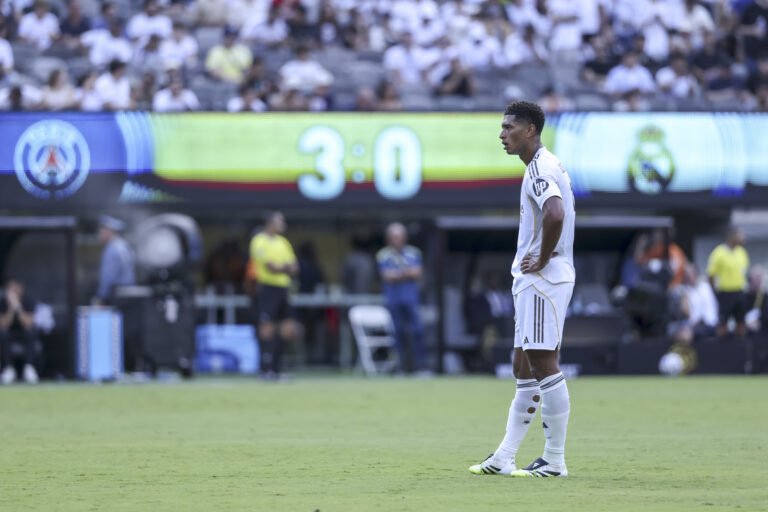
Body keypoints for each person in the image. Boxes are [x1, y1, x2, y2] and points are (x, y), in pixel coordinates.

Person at [470, 101, 575, 478]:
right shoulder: (541, 166)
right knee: (522, 365)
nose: (502, 134)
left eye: (508, 127)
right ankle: (504, 457)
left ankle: (554, 460)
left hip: (543, 280)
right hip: (535, 280)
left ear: (530, 130)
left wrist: (543, 257)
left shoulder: (540, 169)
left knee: (544, 363)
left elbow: (556, 213)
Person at [249, 212, 298, 380]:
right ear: (270, 223)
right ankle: (265, 369)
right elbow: (271, 268)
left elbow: (294, 267)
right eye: (280, 221)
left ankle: (277, 369)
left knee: (287, 329)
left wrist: (283, 267)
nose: (283, 224)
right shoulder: (259, 241)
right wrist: (285, 267)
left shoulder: (283, 242)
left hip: (283, 288)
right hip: (267, 288)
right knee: (267, 328)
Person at [376, 222, 428, 374]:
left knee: (417, 331)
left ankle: (420, 366)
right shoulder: (383, 254)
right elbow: (387, 276)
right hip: (393, 300)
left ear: (404, 238)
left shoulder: (414, 253)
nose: (395, 241)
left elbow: (417, 272)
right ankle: (400, 367)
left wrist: (398, 274)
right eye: (392, 237)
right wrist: (406, 273)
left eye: (398, 237)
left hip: (411, 299)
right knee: (396, 333)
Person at [707, 226, 750, 339]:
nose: (742, 237)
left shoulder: (742, 252)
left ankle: (741, 349)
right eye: (739, 235)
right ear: (732, 236)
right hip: (725, 293)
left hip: (739, 292)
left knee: (741, 323)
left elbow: (744, 272)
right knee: (722, 324)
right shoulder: (719, 252)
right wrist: (715, 293)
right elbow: (711, 275)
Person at [0, 278, 39, 384]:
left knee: (30, 332)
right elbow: (3, 325)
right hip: (9, 334)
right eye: (10, 289)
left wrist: (18, 307)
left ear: (20, 289)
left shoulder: (28, 300)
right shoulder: (2, 302)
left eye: (15, 288)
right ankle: (8, 368)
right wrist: (11, 309)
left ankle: (29, 368)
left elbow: (28, 322)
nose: (13, 292)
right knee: (2, 334)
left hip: (24, 333)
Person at [97, 215, 136, 305]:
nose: (100, 231)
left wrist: (101, 297)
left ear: (111, 230)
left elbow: (108, 277)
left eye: (103, 228)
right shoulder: (123, 245)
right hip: (126, 296)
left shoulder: (112, 249)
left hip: (116, 297)